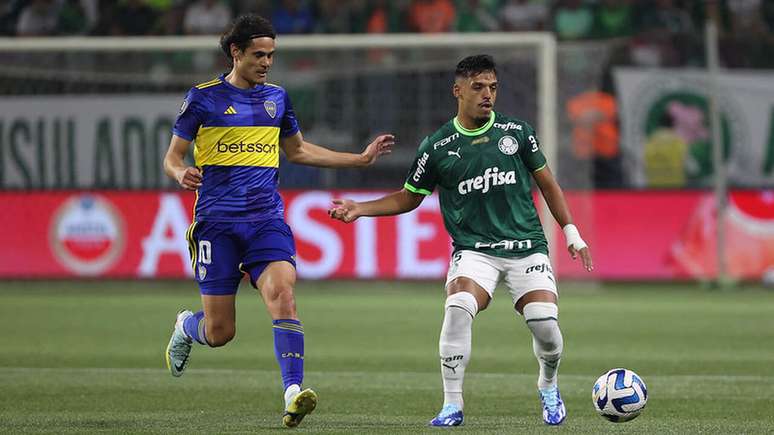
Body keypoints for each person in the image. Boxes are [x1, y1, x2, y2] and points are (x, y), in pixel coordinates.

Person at [328, 55, 592, 427]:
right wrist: (361, 208)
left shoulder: (517, 133)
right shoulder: (437, 147)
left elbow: (548, 184)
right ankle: (452, 405)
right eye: (478, 87)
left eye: (493, 87)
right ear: (458, 91)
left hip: (525, 246)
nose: (488, 95)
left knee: (545, 326)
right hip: (474, 251)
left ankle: (548, 384)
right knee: (458, 308)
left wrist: (571, 233)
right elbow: (408, 197)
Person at [163, 14, 393, 428]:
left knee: (283, 294)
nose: (267, 62)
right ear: (236, 52)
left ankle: (293, 392)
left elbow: (299, 150)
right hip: (216, 222)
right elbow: (172, 157)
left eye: (271, 55)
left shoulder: (278, 99)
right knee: (220, 333)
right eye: (258, 55)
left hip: (266, 219)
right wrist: (182, 173)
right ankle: (185, 325)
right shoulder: (203, 98)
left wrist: (358, 159)